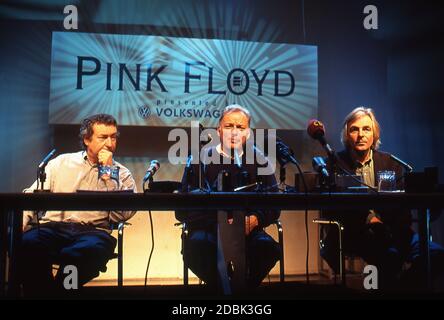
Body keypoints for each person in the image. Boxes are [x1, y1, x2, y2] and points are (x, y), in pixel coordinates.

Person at [320, 107, 444, 290]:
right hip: (356, 232)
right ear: (347, 134)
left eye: (366, 129)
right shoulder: (335, 162)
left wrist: (390, 226)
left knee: (436, 255)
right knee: (389, 256)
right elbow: (332, 207)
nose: (360, 134)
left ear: (375, 134)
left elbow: (403, 207)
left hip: (394, 231)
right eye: (354, 129)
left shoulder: (391, 162)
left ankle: (404, 289)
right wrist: (370, 220)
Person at [20, 113, 137, 296]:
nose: (109, 143)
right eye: (103, 137)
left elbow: (122, 215)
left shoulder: (122, 174)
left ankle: (61, 292)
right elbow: (32, 197)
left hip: (92, 232)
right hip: (53, 228)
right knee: (28, 243)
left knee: (82, 254)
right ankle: (46, 293)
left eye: (113, 137)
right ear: (87, 139)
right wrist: (20, 224)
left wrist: (107, 174)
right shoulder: (60, 163)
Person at [175, 105, 281, 289]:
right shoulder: (200, 159)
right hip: (209, 229)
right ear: (218, 130)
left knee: (268, 249)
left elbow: (274, 204)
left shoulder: (259, 160)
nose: (234, 132)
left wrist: (256, 219)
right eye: (228, 126)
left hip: (248, 230)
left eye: (240, 128)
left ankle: (244, 291)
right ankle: (220, 291)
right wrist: (219, 221)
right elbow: (183, 208)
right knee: (196, 249)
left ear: (248, 133)